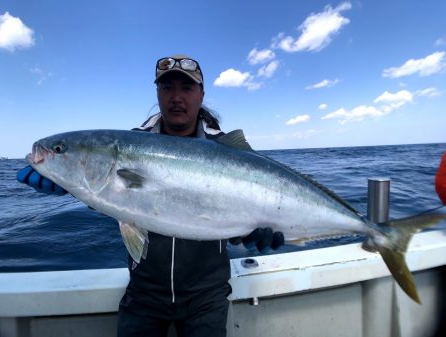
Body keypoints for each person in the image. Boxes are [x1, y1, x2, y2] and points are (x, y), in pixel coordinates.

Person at [17, 54, 284, 337]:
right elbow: (111, 196)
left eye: (186, 88)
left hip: (207, 296)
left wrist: (256, 228)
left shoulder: (227, 148)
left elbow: (245, 207)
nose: (176, 97)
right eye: (167, 88)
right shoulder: (132, 141)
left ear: (201, 94)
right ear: (157, 93)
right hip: (144, 295)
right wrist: (71, 184)